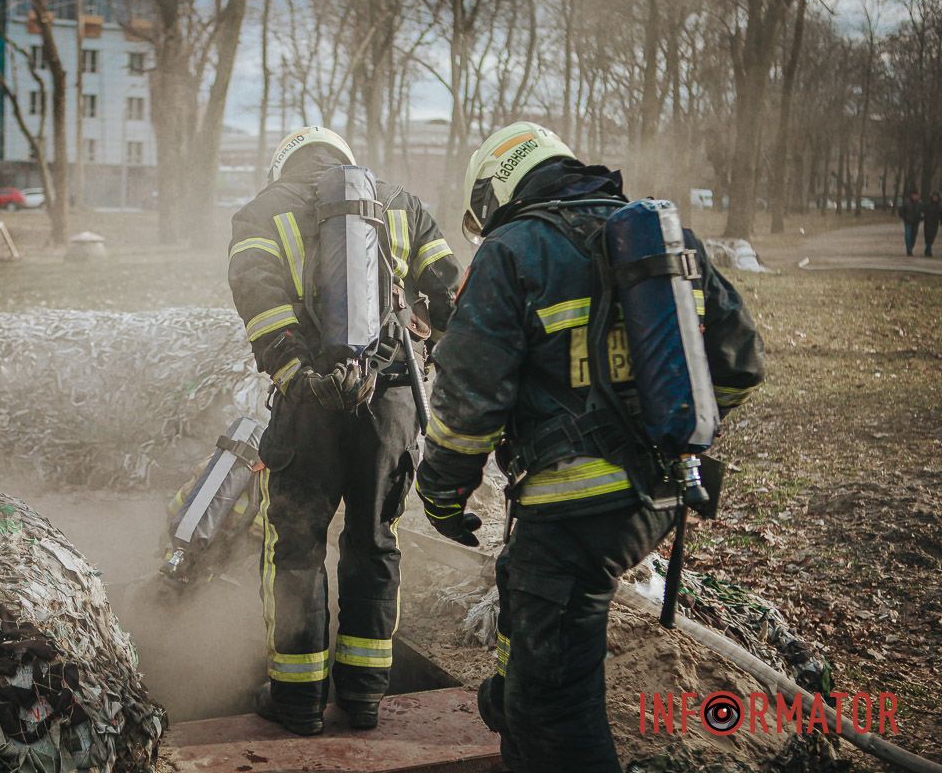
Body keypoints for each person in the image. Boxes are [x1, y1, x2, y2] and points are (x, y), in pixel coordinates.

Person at [414, 122, 765, 771]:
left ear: (495, 192)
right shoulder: (660, 238)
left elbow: (467, 405)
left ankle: (528, 712)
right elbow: (740, 362)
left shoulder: (513, 251)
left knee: (558, 716)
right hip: (657, 499)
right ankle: (513, 703)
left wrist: (439, 492)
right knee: (530, 640)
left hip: (571, 514)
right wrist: (669, 433)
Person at [228, 126, 461, 736]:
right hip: (391, 401)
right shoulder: (400, 203)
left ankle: (298, 700)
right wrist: (426, 350)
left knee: (297, 542)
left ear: (287, 166)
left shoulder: (261, 211)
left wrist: (299, 372)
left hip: (310, 400)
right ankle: (362, 699)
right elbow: (449, 296)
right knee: (374, 538)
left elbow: (260, 302)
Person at [900, 190, 925, 256]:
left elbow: (923, 212)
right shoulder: (906, 202)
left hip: (916, 222)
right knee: (908, 235)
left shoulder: (920, 204)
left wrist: (921, 218)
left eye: (916, 195)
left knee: (913, 236)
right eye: (914, 195)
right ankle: (909, 249)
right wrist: (905, 218)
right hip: (908, 222)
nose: (915, 197)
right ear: (911, 195)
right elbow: (901, 211)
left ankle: (911, 247)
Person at [923, 192, 940, 258]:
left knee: (932, 237)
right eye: (934, 197)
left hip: (935, 224)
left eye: (936, 197)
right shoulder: (928, 205)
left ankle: (928, 249)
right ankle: (928, 250)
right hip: (928, 223)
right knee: (927, 237)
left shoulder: (939, 206)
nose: (935, 198)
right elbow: (924, 212)